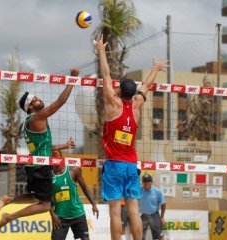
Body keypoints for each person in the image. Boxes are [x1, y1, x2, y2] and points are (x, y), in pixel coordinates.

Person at [93, 34, 167, 240]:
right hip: (131, 165)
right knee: (134, 209)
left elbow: (106, 75)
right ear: (132, 94)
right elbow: (146, 86)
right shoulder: (136, 106)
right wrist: (155, 69)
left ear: (119, 90)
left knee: (115, 211)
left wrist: (101, 50)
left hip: (114, 165)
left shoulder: (113, 104)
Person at [0, 68, 80, 232]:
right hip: (40, 167)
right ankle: (9, 217)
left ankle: (8, 199)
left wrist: (65, 146)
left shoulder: (28, 122)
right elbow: (60, 102)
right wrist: (72, 80)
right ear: (30, 108)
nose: (38, 101)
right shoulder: (38, 117)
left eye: (36, 98)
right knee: (45, 205)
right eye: (34, 101)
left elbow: (45, 147)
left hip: (35, 164)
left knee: (34, 197)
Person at [50, 150, 99, 240]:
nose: (57, 161)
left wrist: (94, 204)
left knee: (85, 238)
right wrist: (52, 214)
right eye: (54, 158)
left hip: (78, 214)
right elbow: (46, 198)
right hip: (60, 217)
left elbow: (85, 188)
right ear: (51, 160)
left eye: (58, 158)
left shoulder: (73, 170)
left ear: (62, 159)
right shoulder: (49, 175)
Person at [139, 174, 166, 240]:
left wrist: (162, 217)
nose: (147, 183)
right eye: (145, 181)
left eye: (148, 181)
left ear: (151, 181)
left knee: (160, 235)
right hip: (142, 215)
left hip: (154, 215)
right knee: (139, 235)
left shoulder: (157, 191)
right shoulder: (139, 190)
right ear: (142, 182)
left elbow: (163, 204)